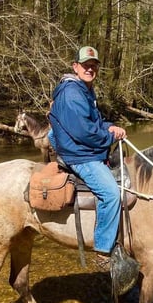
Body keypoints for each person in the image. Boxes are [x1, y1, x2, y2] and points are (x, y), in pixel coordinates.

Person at [48, 46, 126, 271]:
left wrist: (110, 126)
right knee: (111, 194)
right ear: (76, 67)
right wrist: (107, 138)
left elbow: (95, 122)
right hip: (79, 154)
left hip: (83, 147)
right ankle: (103, 252)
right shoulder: (72, 93)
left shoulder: (85, 90)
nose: (90, 69)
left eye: (93, 66)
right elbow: (84, 132)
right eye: (85, 65)